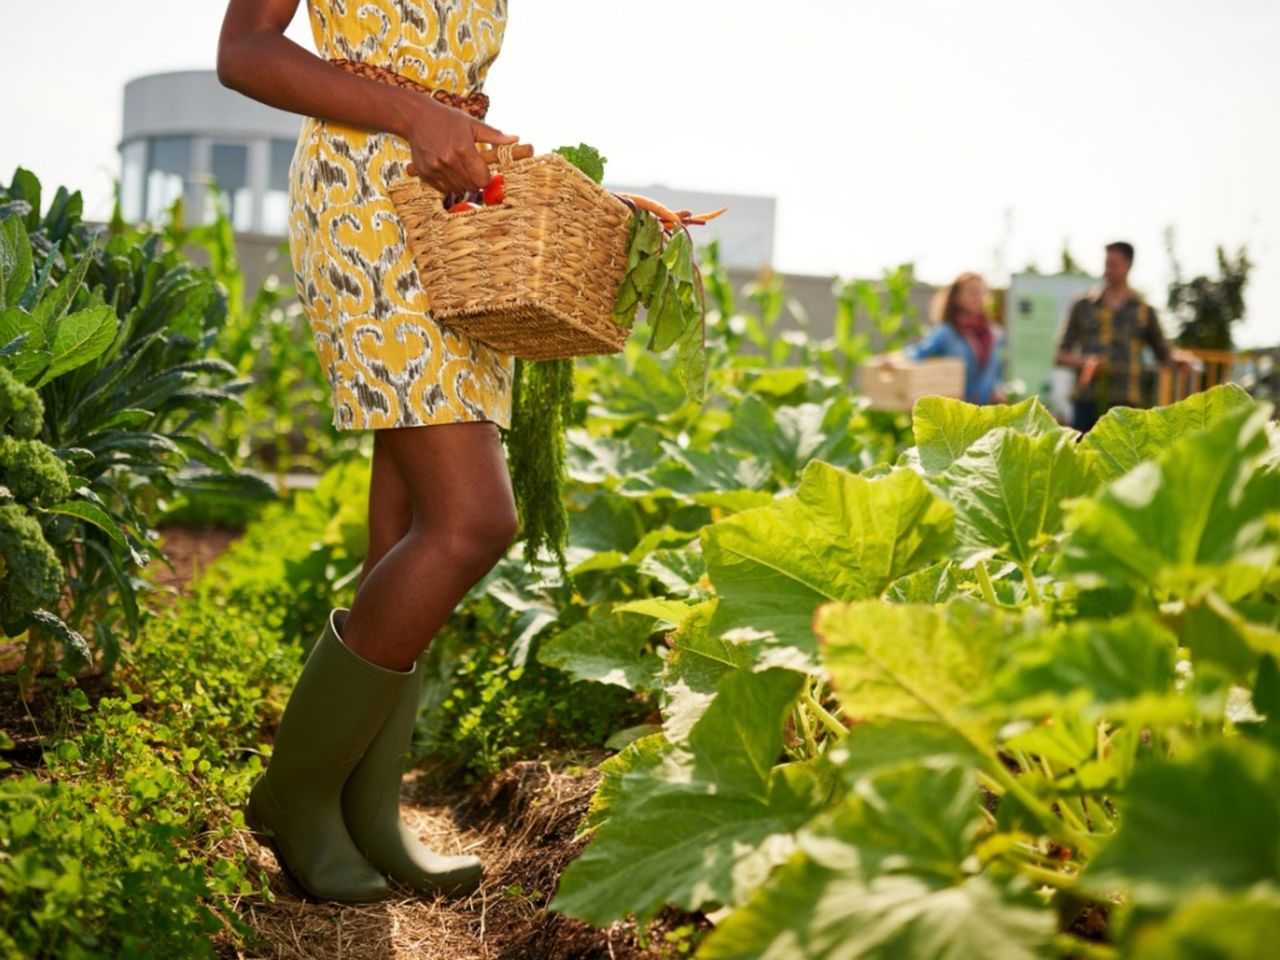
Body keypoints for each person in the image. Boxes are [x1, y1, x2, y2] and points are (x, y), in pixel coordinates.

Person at [218, 0, 521, 904]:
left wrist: (470, 133)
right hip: (370, 206)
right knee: (473, 521)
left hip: (455, 215)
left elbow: (437, 69)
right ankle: (295, 790)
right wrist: (418, 114)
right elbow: (244, 51)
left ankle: (367, 806)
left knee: (407, 525)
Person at [1054, 241, 1194, 432]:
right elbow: (1060, 355)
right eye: (1106, 264)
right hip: (1088, 400)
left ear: (1129, 266)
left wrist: (1179, 361)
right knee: (1083, 457)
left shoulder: (1144, 310)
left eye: (1114, 265)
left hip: (1128, 402)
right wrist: (1085, 363)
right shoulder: (1083, 305)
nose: (1108, 270)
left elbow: (1163, 353)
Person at [890, 272, 1005, 405]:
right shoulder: (946, 332)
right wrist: (894, 359)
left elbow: (996, 372)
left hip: (986, 412)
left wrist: (998, 388)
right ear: (956, 297)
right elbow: (920, 353)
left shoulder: (994, 334)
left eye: (982, 292)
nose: (979, 298)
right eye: (973, 292)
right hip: (955, 412)